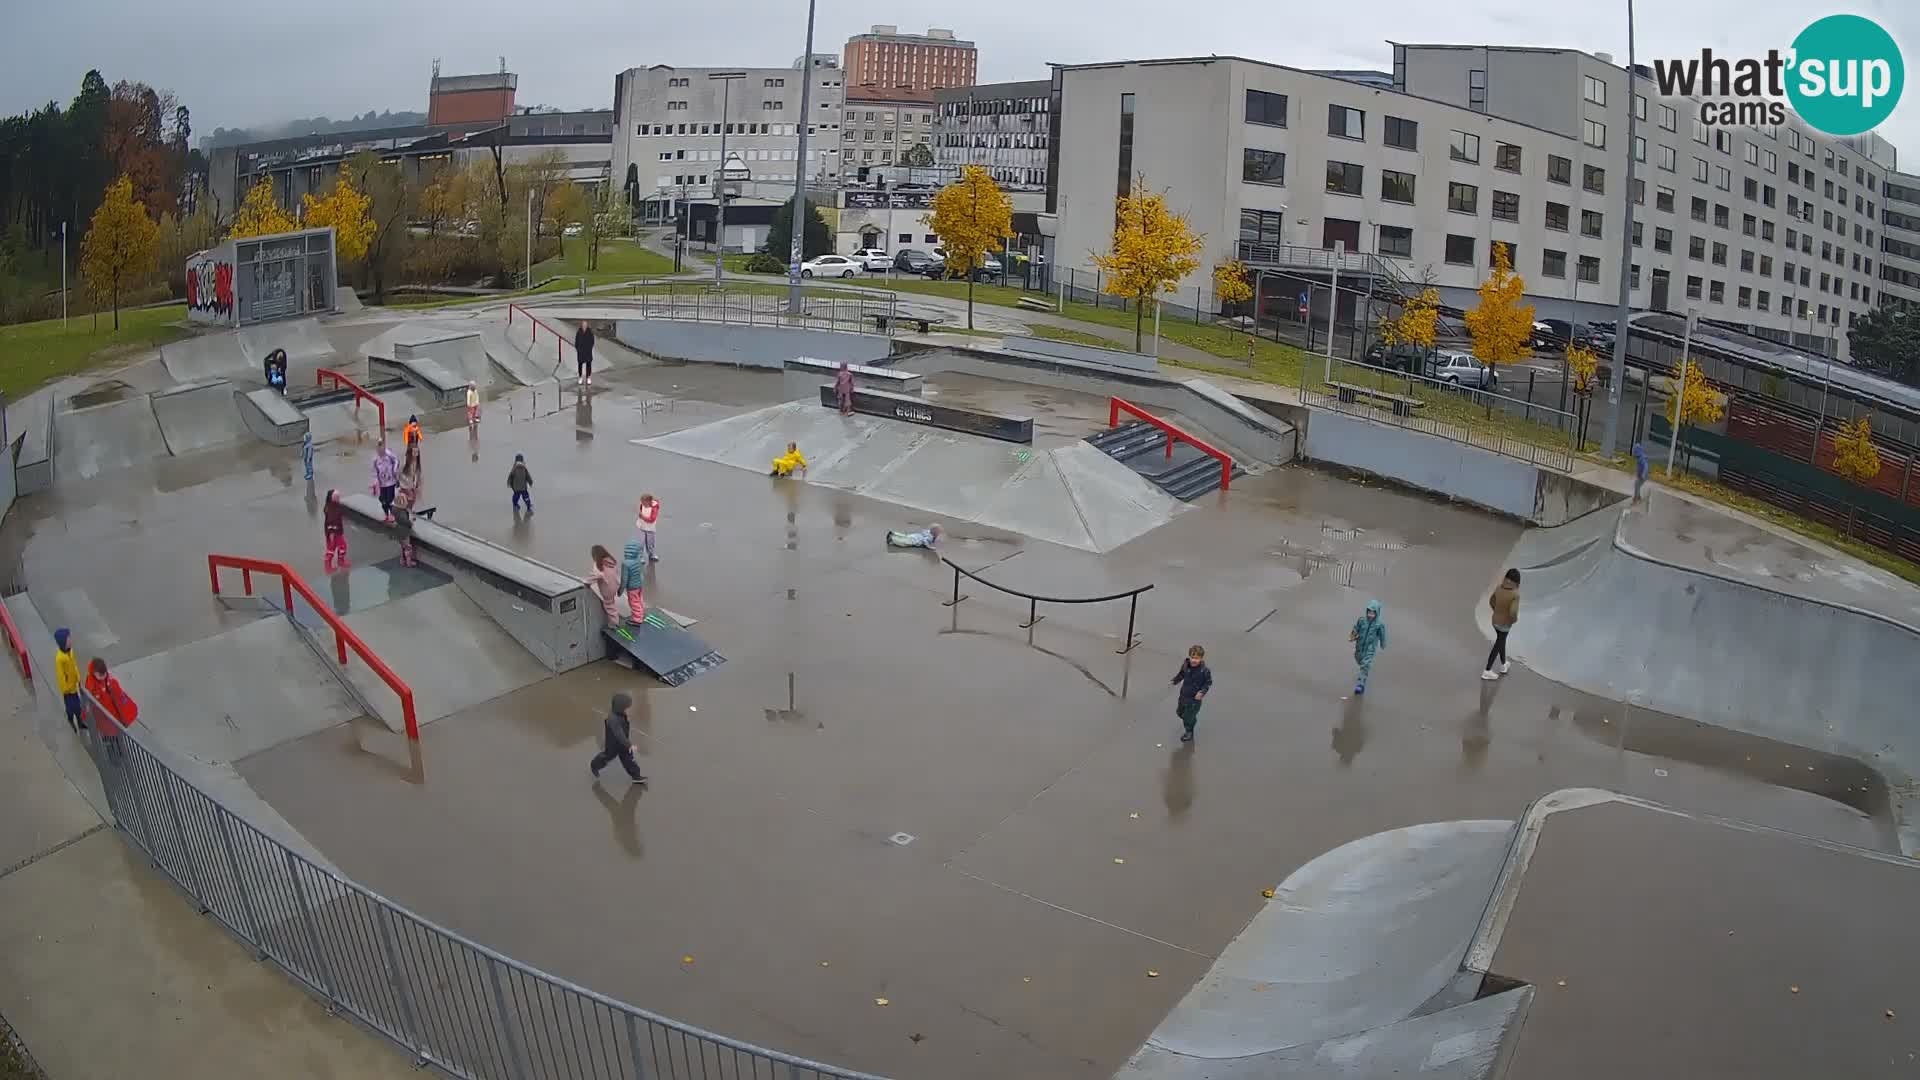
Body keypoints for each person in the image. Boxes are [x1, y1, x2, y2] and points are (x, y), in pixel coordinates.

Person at [84, 657, 139, 760]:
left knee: (117, 739)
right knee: (109, 741)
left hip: (113, 720)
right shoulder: (91, 686)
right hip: (104, 722)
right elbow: (88, 703)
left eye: (104, 674)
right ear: (94, 673)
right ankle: (114, 756)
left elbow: (120, 698)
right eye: (101, 675)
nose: (104, 676)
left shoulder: (110, 681)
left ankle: (119, 753)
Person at [589, 691, 645, 783]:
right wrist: (629, 744)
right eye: (627, 708)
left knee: (629, 759)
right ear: (620, 708)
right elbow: (619, 734)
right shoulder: (613, 719)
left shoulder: (621, 714)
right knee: (607, 756)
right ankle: (594, 765)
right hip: (613, 744)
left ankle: (636, 776)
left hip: (623, 744)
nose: (629, 709)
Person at [1169, 645, 1213, 743]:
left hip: (1194, 700)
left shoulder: (1204, 671)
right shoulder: (1186, 666)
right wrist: (1175, 681)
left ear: (1201, 658)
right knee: (1180, 713)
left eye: (1197, 658)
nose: (1194, 660)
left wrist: (1202, 692)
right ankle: (1191, 719)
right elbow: (1181, 674)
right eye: (1192, 657)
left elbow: (1208, 682)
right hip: (1184, 696)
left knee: (1187, 718)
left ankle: (1189, 731)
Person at [1483, 569, 1521, 681]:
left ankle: (1504, 664)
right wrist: (1513, 620)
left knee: (1501, 641)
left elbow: (1491, 601)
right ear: (1517, 582)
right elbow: (1513, 612)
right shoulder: (1515, 594)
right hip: (1505, 624)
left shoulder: (1499, 588)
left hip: (1495, 621)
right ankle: (1487, 670)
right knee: (1498, 644)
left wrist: (1497, 612)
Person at [1348, 600, 1388, 696]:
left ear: (1377, 613)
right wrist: (1353, 635)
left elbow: (1382, 635)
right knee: (1359, 659)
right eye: (1369, 612)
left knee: (1365, 664)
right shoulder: (1362, 620)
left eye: (1373, 613)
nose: (1370, 615)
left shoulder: (1379, 625)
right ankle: (1363, 675)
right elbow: (1356, 627)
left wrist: (1382, 643)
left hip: (1370, 647)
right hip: (1360, 644)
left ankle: (1361, 684)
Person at [54, 627, 84, 733]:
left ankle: (80, 722)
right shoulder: (59, 658)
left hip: (73, 686)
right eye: (68, 639)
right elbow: (60, 676)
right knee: (71, 708)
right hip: (68, 690)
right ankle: (71, 720)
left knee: (78, 707)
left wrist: (78, 677)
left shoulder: (70, 652)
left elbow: (74, 665)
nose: (70, 640)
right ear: (63, 642)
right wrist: (65, 689)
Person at [586, 545, 621, 627]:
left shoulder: (598, 565)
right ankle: (615, 617)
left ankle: (614, 623)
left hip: (607, 589)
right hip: (614, 585)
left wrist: (587, 582)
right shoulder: (611, 561)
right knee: (612, 602)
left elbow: (597, 575)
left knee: (609, 606)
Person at [619, 537, 648, 627]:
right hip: (639, 585)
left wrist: (620, 590)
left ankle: (637, 619)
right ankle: (641, 613)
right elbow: (641, 572)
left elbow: (624, 579)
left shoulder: (626, 563)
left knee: (633, 602)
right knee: (639, 599)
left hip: (632, 587)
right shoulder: (638, 560)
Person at [369, 440, 399, 523]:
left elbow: (396, 461)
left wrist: (395, 470)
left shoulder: (389, 454)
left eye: (381, 448)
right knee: (383, 500)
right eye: (378, 449)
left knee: (390, 499)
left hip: (391, 481)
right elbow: (374, 471)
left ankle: (392, 515)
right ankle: (386, 515)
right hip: (382, 483)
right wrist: (375, 482)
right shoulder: (375, 459)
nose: (380, 451)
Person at [322, 488, 350, 573]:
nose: (338, 498)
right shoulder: (331, 508)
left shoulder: (334, 505)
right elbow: (330, 521)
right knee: (333, 548)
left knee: (340, 546)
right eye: (337, 497)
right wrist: (331, 533)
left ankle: (340, 561)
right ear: (332, 498)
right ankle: (329, 564)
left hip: (337, 531)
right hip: (334, 532)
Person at [636, 494, 661, 563]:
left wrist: (642, 517)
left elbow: (652, 519)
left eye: (644, 503)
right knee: (641, 542)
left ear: (648, 502)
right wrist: (640, 516)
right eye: (642, 502)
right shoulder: (642, 504)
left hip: (650, 528)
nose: (643, 504)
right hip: (641, 526)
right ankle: (641, 556)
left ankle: (651, 554)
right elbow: (641, 510)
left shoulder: (654, 508)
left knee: (650, 542)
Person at [574, 323, 596, 388]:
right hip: (581, 352)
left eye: (585, 325)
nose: (584, 326)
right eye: (583, 325)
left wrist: (589, 348)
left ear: (587, 326)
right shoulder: (579, 332)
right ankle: (580, 377)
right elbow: (576, 342)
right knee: (580, 364)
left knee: (588, 364)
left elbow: (592, 341)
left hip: (588, 351)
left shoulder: (590, 332)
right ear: (581, 325)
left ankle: (588, 377)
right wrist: (578, 349)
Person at [1631, 442, 1650, 506]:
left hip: (1643, 476)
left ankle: (1636, 499)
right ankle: (1638, 497)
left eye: (1635, 452)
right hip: (1640, 475)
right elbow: (1639, 466)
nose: (1634, 454)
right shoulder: (1639, 457)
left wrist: (1643, 474)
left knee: (1636, 485)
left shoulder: (1642, 458)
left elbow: (1646, 466)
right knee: (1637, 485)